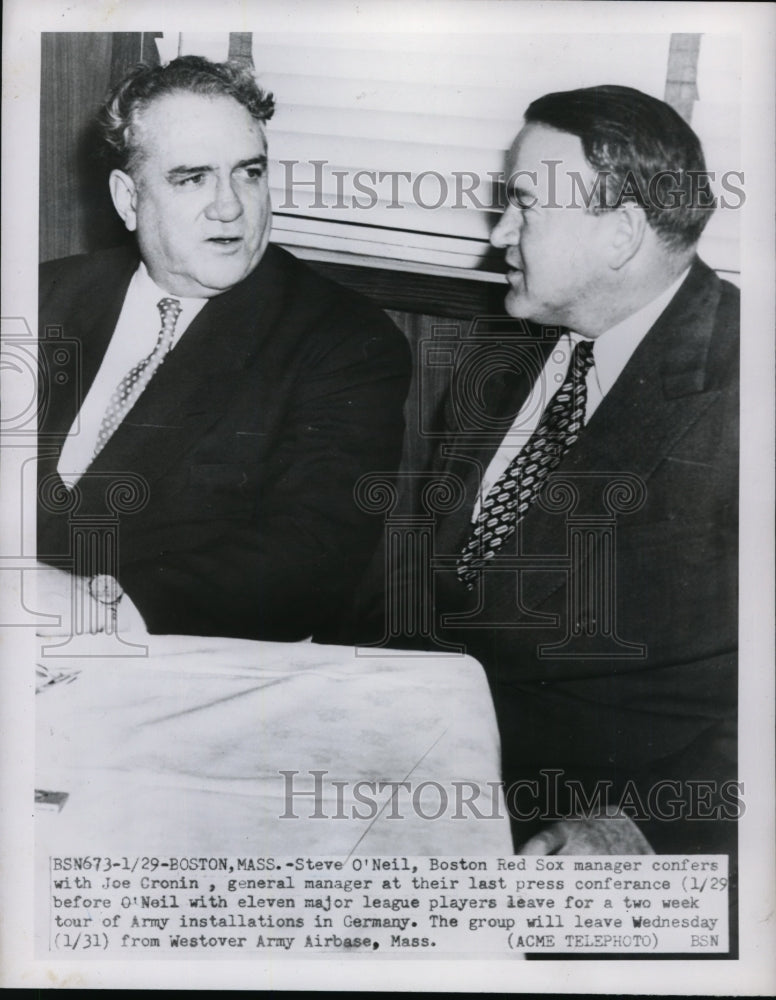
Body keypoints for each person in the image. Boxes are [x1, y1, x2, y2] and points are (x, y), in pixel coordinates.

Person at [357, 85, 739, 858]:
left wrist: (642, 827)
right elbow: (428, 578)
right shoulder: (511, 350)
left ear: (621, 233)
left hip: (601, 817)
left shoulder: (745, 391)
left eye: (526, 206)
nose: (500, 233)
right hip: (425, 763)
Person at [37, 55, 411, 642]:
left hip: (170, 658)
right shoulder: (41, 296)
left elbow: (311, 556)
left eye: (249, 172)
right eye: (193, 177)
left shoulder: (344, 340)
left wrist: (95, 610)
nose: (231, 205)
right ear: (128, 199)